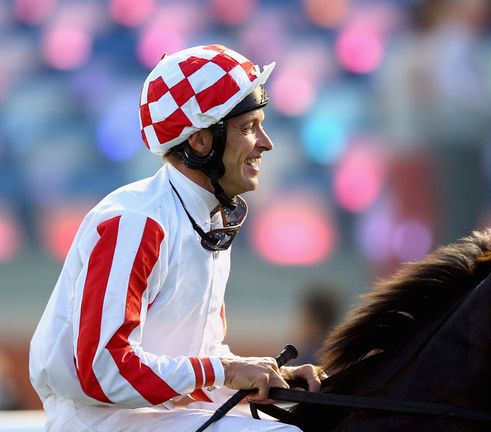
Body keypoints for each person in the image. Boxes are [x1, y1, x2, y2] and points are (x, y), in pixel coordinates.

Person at [29, 44, 324, 432]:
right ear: (200, 141)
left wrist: (262, 376)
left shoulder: (207, 216)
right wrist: (227, 370)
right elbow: (103, 371)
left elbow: (195, 361)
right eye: (249, 128)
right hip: (102, 420)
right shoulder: (136, 221)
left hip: (158, 415)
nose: (266, 143)